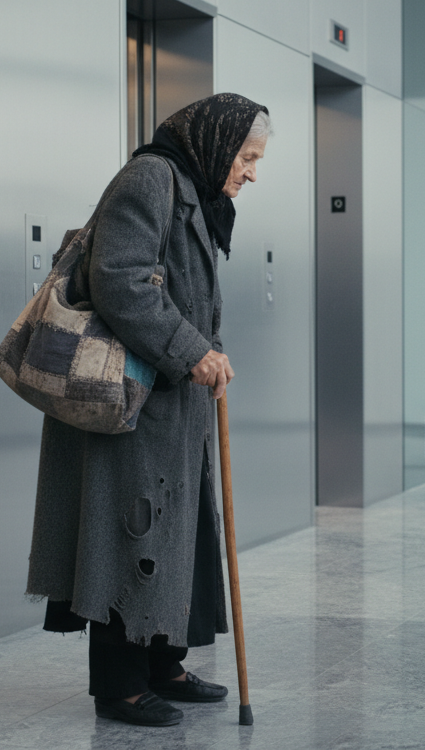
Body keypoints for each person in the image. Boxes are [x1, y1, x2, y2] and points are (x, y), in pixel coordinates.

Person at [25, 94, 270, 727]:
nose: (250, 171)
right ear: (216, 143)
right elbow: (120, 280)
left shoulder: (189, 188)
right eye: (246, 156)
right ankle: (120, 685)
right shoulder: (149, 178)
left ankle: (164, 662)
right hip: (132, 402)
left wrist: (202, 353)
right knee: (129, 531)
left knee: (176, 531)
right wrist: (193, 350)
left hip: (172, 401)